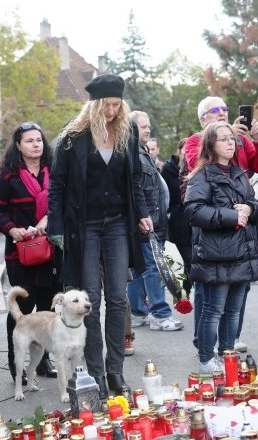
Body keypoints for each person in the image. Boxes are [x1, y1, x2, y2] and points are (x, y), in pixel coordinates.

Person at [47, 74, 153, 399]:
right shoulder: (73, 137)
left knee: (119, 297)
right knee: (89, 299)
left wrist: (144, 212)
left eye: (116, 104)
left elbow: (135, 178)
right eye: (105, 105)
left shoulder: (127, 131)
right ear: (93, 105)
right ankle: (95, 375)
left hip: (119, 221)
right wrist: (56, 228)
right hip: (85, 225)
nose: (110, 110)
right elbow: (57, 187)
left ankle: (115, 371)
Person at [185, 96, 258, 353]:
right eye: (224, 139)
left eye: (232, 139)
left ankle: (227, 355)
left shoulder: (239, 173)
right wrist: (231, 216)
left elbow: (252, 201)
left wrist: (250, 209)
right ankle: (206, 355)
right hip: (216, 249)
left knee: (234, 309)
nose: (231, 142)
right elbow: (193, 209)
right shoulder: (200, 167)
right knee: (213, 308)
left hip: (241, 250)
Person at [0, 122, 60, 384]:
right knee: (22, 311)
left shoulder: (53, 171)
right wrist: (12, 229)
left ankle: (43, 362)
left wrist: (48, 220)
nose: (36, 145)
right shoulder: (10, 177)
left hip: (51, 251)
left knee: (47, 309)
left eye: (39, 140)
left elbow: (63, 203)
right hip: (21, 254)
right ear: (18, 146)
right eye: (29, 141)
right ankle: (15, 364)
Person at [127, 110, 183, 331]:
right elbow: (137, 190)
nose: (148, 129)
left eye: (148, 125)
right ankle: (160, 314)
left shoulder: (141, 152)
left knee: (139, 270)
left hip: (151, 222)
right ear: (131, 129)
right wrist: (144, 217)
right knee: (153, 268)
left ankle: (139, 312)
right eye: (142, 126)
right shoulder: (135, 154)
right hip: (148, 224)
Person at [161, 139, 192, 297]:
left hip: (193, 219)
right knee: (188, 259)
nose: (188, 152)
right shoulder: (168, 169)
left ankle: (186, 290)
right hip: (177, 220)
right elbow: (163, 193)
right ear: (179, 150)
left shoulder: (195, 166)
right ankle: (184, 292)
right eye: (185, 149)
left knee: (193, 260)